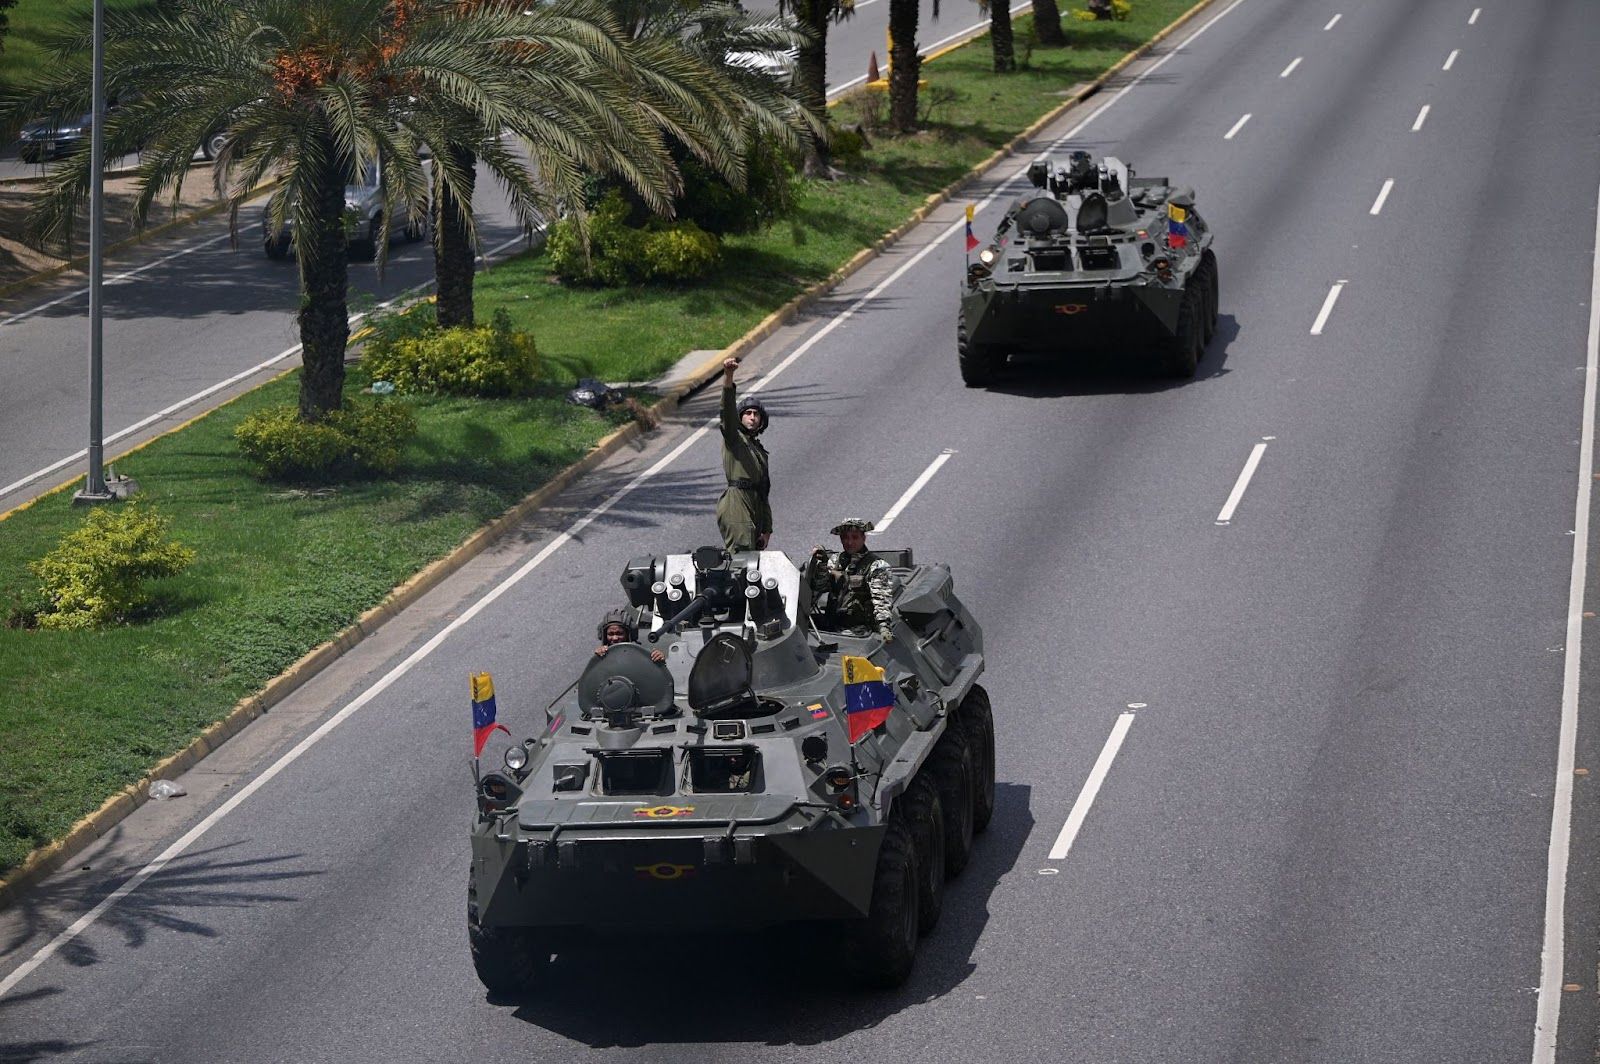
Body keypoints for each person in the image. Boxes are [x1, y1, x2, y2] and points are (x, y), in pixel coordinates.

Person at [716, 357, 772, 553]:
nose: (752, 417)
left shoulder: (759, 452)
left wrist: (767, 529)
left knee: (754, 559)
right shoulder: (734, 438)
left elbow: (764, 491)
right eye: (748, 413)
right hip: (737, 502)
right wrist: (728, 376)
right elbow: (727, 411)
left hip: (755, 503)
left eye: (756, 414)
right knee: (741, 556)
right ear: (740, 417)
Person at [808, 518, 896, 642]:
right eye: (845, 537)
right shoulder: (835, 560)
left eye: (855, 537)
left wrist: (884, 627)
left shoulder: (876, 566)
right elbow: (819, 588)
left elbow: (881, 600)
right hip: (831, 624)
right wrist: (822, 565)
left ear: (863, 538)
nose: (849, 542)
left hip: (858, 630)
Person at [595, 608, 665, 663]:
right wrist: (597, 659)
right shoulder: (602, 656)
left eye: (619, 633)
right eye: (610, 634)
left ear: (628, 634)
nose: (615, 638)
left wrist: (659, 659)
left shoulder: (640, 654)